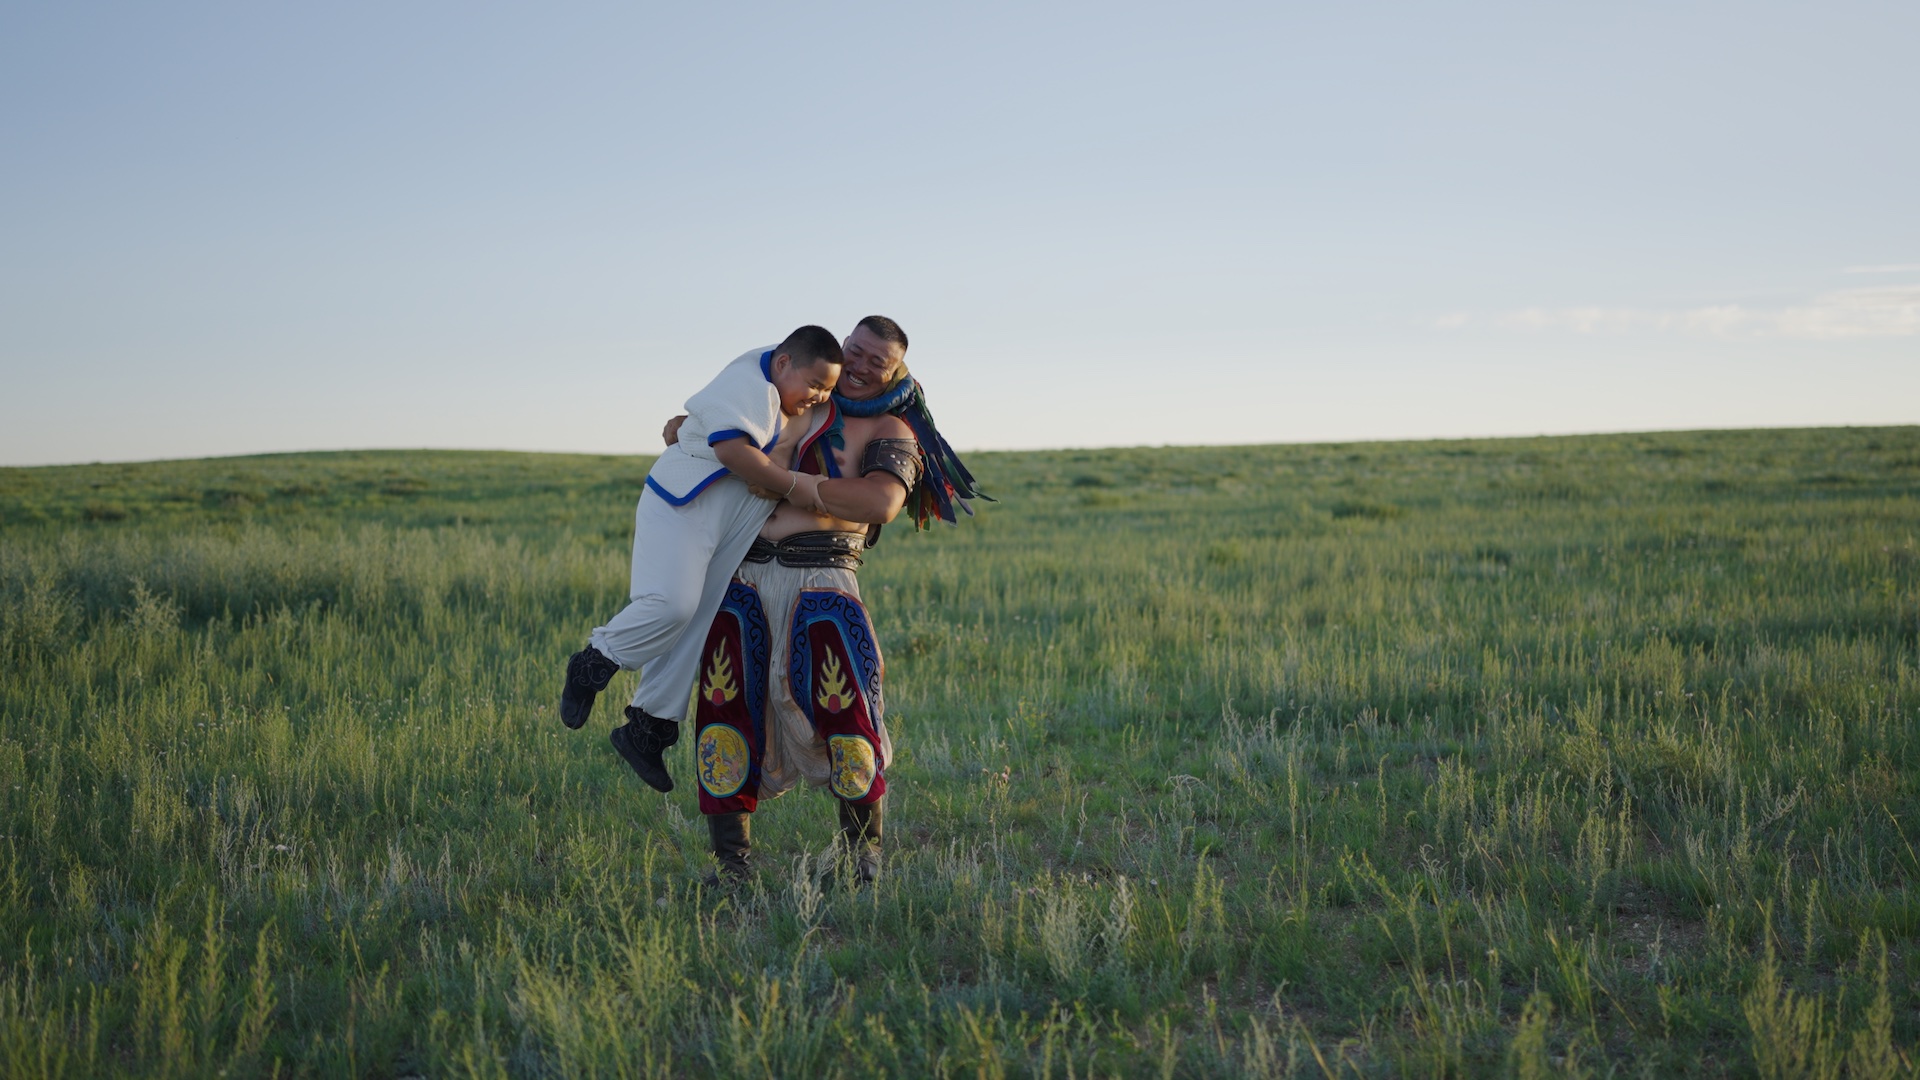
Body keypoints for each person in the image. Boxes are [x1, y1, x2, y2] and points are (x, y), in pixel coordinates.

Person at [661, 316, 986, 884]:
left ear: (895, 373)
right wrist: (697, 430)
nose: (859, 367)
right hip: (742, 577)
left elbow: (880, 501)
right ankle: (731, 864)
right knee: (724, 709)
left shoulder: (892, 429)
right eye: (854, 352)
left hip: (825, 583)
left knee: (849, 714)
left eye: (875, 362)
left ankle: (864, 858)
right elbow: (694, 430)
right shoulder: (790, 403)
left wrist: (788, 485)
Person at [557, 326, 843, 793]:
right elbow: (732, 451)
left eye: (828, 388)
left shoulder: (800, 397)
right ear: (785, 362)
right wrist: (788, 485)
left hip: (734, 518)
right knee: (672, 605)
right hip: (686, 503)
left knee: (695, 625)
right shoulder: (749, 381)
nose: (819, 395)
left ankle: (647, 730)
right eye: (814, 384)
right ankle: (594, 661)